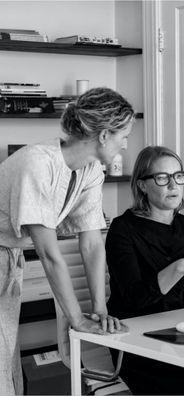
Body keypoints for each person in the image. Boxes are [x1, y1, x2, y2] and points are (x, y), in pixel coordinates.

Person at [0, 87, 134, 396]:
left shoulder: (90, 172)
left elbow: (91, 244)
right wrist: (77, 320)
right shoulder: (37, 162)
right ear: (103, 135)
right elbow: (48, 253)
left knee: (6, 357)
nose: (125, 145)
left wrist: (99, 311)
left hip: (9, 257)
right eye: (123, 135)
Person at [105, 145, 184, 395]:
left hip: (183, 334)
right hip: (136, 339)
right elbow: (135, 298)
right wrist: (180, 267)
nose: (173, 185)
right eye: (162, 178)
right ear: (142, 185)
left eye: (178, 177)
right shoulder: (123, 229)